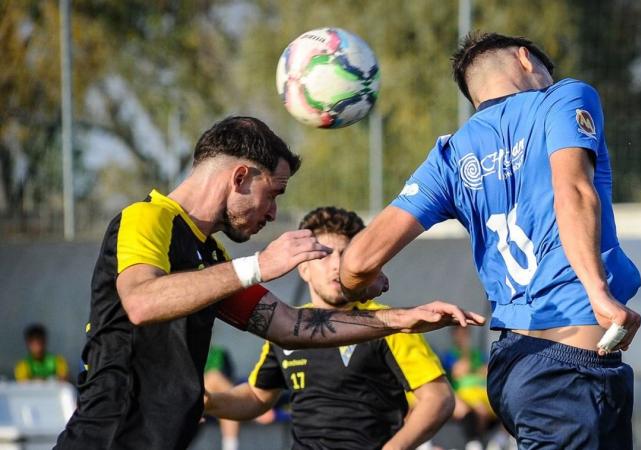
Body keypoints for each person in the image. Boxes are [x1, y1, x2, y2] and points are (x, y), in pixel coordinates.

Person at [54, 116, 484, 450]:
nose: (274, 212)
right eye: (273, 192)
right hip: (111, 434)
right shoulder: (147, 217)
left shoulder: (211, 256)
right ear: (240, 177)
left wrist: (400, 319)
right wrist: (258, 265)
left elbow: (290, 325)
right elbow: (142, 301)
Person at [340, 33, 641, 449]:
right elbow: (572, 190)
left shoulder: (450, 155)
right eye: (546, 72)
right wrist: (597, 291)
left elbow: (357, 261)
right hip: (567, 372)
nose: (550, 80)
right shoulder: (563, 98)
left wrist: (364, 285)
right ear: (524, 59)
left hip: (516, 363)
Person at [205, 206, 455, 450]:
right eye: (324, 254)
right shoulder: (288, 327)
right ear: (303, 268)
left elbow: (438, 399)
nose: (336, 265)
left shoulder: (389, 322)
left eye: (346, 255)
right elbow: (257, 397)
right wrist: (207, 402)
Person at [440, 327, 494, 448]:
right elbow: (458, 371)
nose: (463, 337)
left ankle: (482, 441)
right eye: (460, 334)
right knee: (480, 410)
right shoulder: (449, 355)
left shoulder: (477, 354)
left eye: (465, 334)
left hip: (481, 391)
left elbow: (488, 371)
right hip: (464, 393)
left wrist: (474, 368)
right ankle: (475, 441)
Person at [203, 345, 240, 450]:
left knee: (227, 401)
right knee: (214, 377)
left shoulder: (220, 354)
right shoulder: (180, 352)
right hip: (188, 396)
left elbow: (229, 380)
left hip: (214, 400)